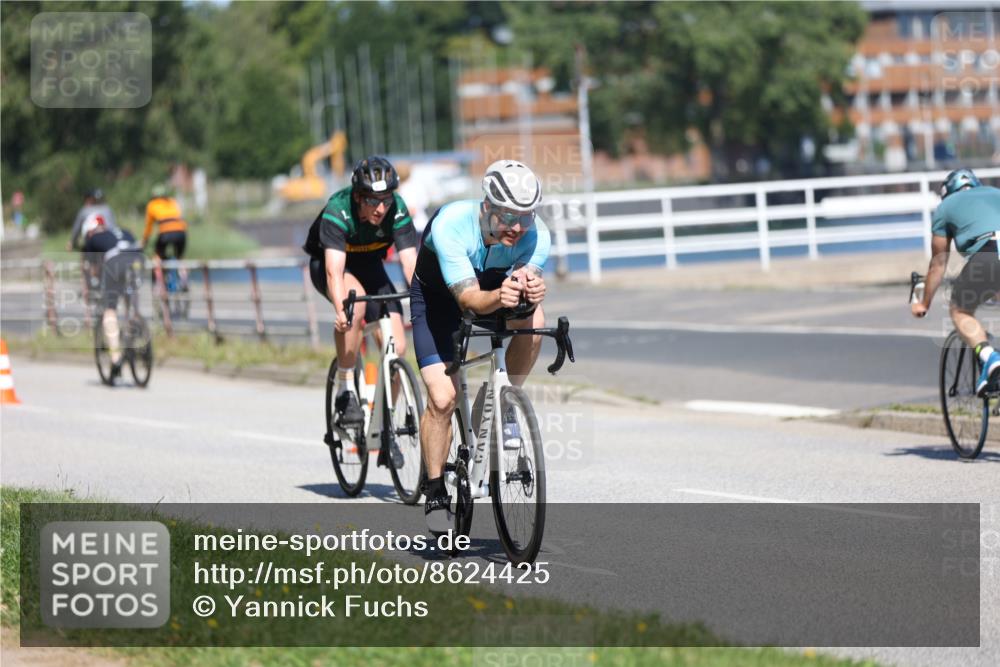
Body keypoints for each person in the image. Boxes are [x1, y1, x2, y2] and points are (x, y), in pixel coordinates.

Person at [410, 159, 550, 533]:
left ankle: (502, 400)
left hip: (493, 294)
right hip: (441, 301)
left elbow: (521, 292)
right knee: (442, 398)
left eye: (527, 216)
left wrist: (531, 291)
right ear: (486, 206)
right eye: (508, 217)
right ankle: (437, 488)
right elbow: (469, 301)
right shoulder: (452, 224)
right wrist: (504, 294)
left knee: (534, 318)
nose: (518, 228)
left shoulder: (536, 236)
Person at [303, 156, 417, 426]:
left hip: (370, 266)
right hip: (332, 266)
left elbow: (410, 263)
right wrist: (342, 310)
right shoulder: (338, 209)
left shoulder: (397, 210)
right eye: (372, 201)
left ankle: (384, 421)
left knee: (397, 347)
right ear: (357, 197)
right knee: (356, 308)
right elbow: (334, 270)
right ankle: (345, 390)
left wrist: (424, 301)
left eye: (386, 200)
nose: (380, 208)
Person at [912, 168, 1000, 395]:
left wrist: (923, 303)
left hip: (988, 255)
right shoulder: (995, 192)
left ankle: (990, 358)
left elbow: (938, 264)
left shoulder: (945, 207)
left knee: (959, 310)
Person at [80, 214, 143, 383]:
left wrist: (92, 286)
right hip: (137, 259)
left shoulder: (93, 239)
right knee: (131, 301)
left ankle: (116, 359)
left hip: (115, 261)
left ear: (89, 231)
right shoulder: (123, 231)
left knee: (110, 311)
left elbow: (93, 270)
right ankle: (134, 325)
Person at [142, 185, 189, 288]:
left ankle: (159, 283)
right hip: (181, 231)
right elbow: (180, 216)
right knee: (180, 257)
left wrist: (144, 241)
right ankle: (184, 279)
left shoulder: (152, 204)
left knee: (157, 256)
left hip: (166, 232)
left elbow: (148, 227)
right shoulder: (172, 201)